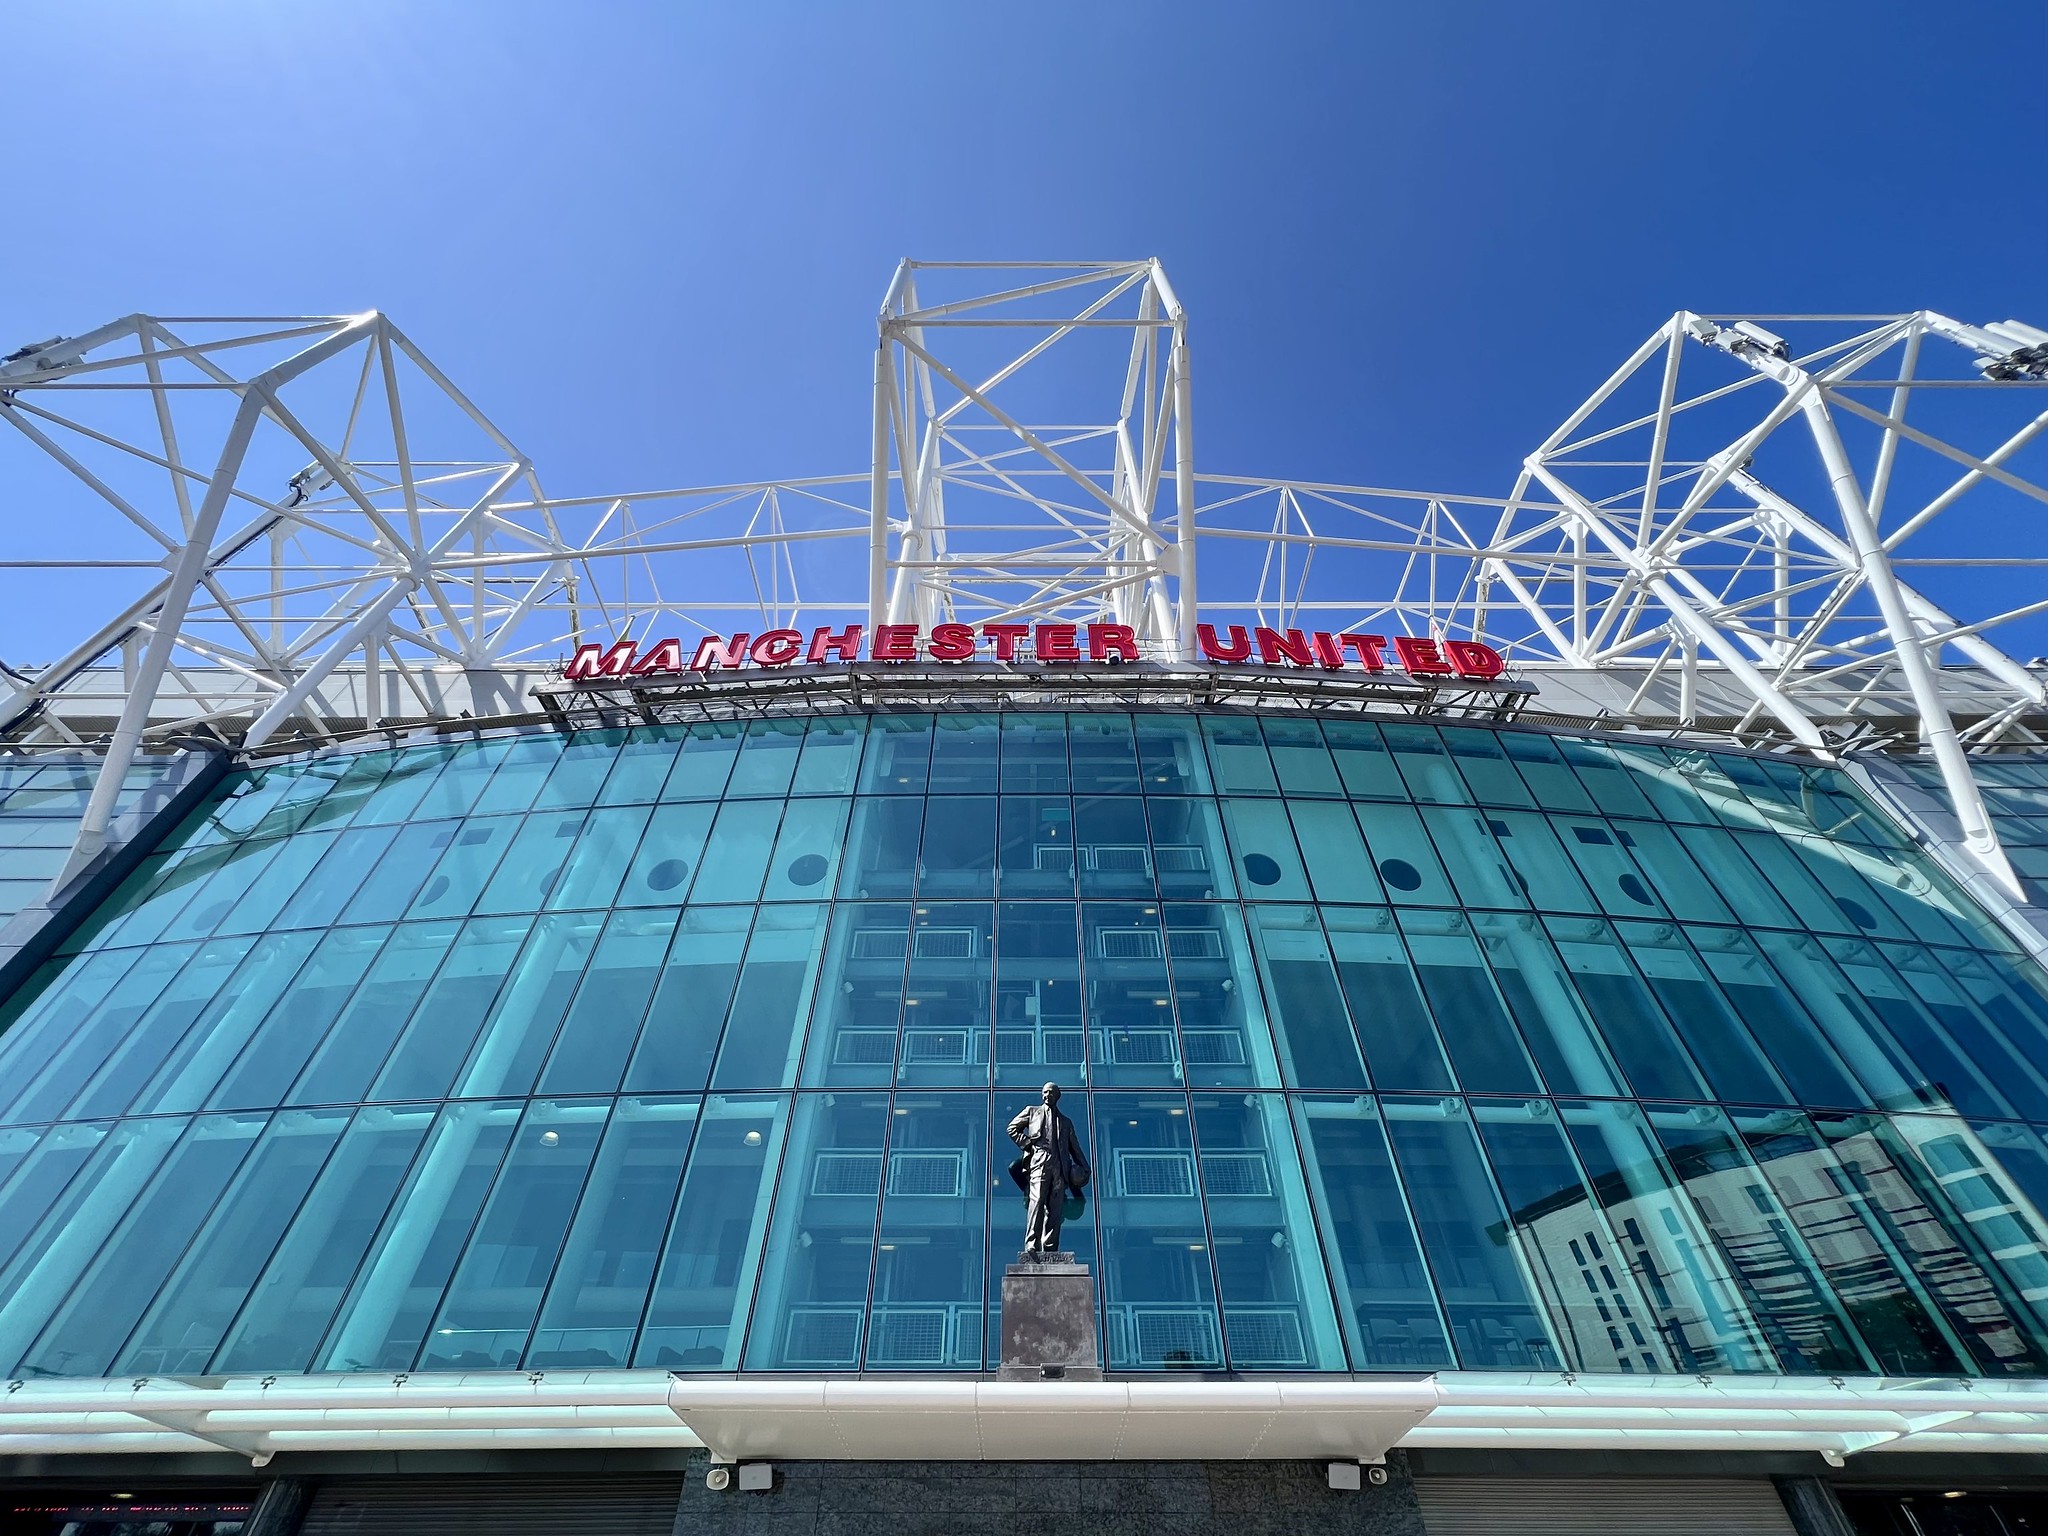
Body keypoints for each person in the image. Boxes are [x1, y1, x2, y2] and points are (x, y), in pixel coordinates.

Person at [1007, 1081, 1091, 1257]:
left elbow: (1075, 1147)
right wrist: (1027, 1144)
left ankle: (1051, 1248)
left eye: (1051, 1093)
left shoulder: (1066, 1122)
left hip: (1060, 1166)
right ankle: (1031, 1244)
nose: (1047, 1095)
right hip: (1039, 1161)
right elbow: (1012, 1128)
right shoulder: (1031, 1111)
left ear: (1057, 1096)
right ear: (1042, 1094)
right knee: (1036, 1201)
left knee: (1055, 1207)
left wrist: (1084, 1166)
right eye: (1045, 1092)